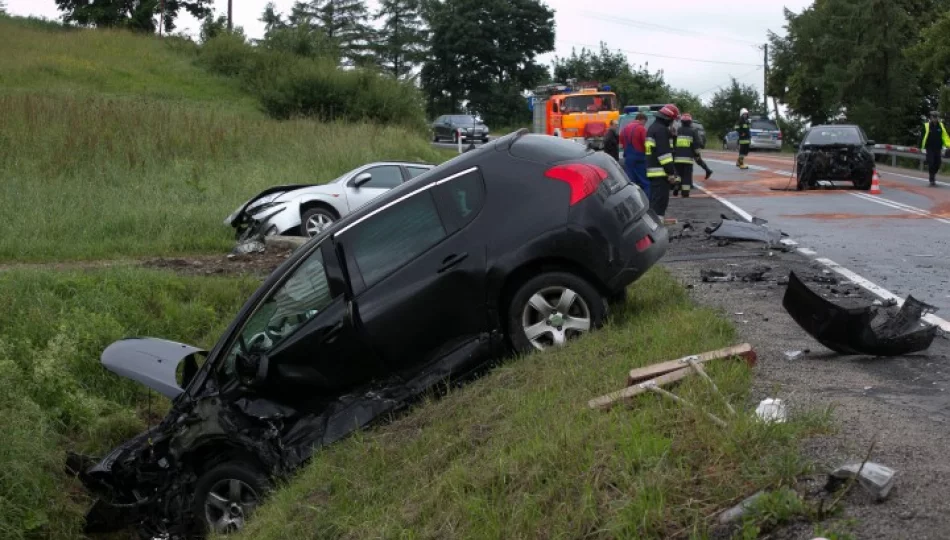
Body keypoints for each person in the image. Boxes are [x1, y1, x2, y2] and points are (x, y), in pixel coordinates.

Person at [645, 104, 680, 219]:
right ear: (668, 118)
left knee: (655, 202)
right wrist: (671, 173)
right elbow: (664, 155)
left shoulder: (652, 128)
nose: (674, 123)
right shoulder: (661, 131)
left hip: (653, 171)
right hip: (661, 173)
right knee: (659, 205)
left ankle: (655, 226)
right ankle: (657, 229)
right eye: (673, 120)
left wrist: (673, 137)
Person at [672, 113, 713, 198]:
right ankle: (685, 193)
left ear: (682, 122)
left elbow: (674, 143)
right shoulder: (693, 131)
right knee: (687, 177)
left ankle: (677, 184)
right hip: (688, 159)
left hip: (677, 158)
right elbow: (697, 144)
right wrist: (697, 154)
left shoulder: (678, 130)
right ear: (690, 122)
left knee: (678, 173)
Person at [620, 112, 649, 198]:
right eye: (645, 123)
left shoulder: (624, 129)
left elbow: (621, 143)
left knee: (631, 182)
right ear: (642, 120)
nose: (644, 125)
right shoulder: (641, 129)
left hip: (628, 158)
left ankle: (633, 200)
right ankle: (647, 200)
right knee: (645, 181)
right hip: (640, 158)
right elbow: (646, 143)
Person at [922, 110, 950, 187]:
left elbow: (945, 136)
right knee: (931, 163)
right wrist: (921, 147)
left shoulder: (941, 126)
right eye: (933, 117)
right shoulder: (926, 126)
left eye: (936, 117)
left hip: (938, 148)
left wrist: (949, 145)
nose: (935, 118)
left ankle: (932, 174)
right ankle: (932, 179)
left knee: (938, 163)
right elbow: (922, 137)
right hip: (929, 148)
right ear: (930, 117)